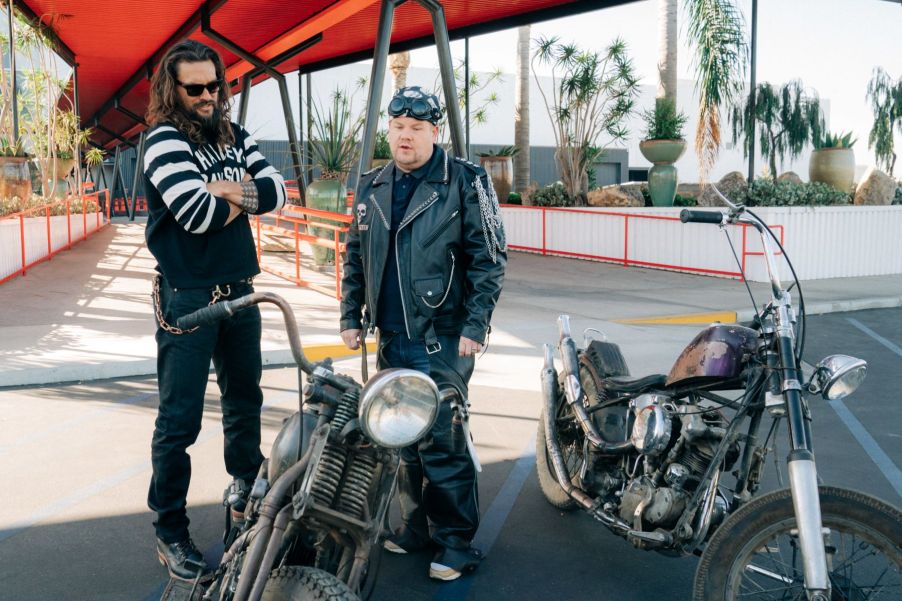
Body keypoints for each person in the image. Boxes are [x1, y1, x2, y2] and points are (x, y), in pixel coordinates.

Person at [339, 86, 506, 581]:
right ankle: (414, 528)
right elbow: (353, 255)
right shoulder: (373, 184)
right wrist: (351, 315)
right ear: (388, 131)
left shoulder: (465, 182)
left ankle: (455, 542)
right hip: (391, 337)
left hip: (443, 337)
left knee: (443, 441)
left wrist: (475, 328)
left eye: (416, 128)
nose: (405, 136)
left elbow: (489, 261)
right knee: (400, 441)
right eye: (398, 128)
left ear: (435, 132)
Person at [143, 39, 287, 580]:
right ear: (172, 90)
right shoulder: (161, 140)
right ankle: (170, 530)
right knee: (179, 420)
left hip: (240, 290)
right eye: (195, 88)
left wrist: (225, 189)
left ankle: (244, 502)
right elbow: (196, 214)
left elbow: (278, 190)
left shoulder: (235, 134)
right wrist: (236, 194)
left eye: (214, 86)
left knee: (245, 401)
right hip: (188, 297)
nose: (207, 96)